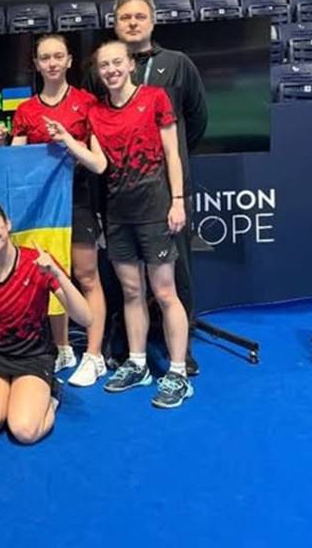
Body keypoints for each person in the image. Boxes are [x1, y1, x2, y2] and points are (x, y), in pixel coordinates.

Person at [0, 35, 109, 387]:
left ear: (69, 61)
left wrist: (68, 142)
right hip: (41, 205)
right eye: (46, 58)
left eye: (59, 56)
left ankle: (94, 355)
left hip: (78, 198)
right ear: (37, 64)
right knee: (51, 274)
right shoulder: (26, 110)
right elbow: (14, 165)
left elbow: (98, 162)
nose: (53, 63)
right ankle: (62, 348)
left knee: (87, 276)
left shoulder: (87, 103)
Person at [88, 41, 194, 409]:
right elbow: (98, 164)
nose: (111, 70)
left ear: (130, 64)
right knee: (131, 292)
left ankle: (178, 373)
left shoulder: (155, 98)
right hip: (117, 215)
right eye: (104, 65)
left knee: (165, 293)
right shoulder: (96, 112)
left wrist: (177, 200)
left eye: (117, 62)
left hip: (155, 211)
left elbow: (172, 154)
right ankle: (137, 364)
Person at [113, 0, 207, 377]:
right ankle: (125, 345)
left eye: (139, 16)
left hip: (168, 188)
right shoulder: (109, 65)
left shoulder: (177, 63)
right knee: (125, 273)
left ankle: (182, 351)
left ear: (152, 21)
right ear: (115, 24)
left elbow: (197, 119)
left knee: (177, 271)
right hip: (122, 189)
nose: (132, 23)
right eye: (125, 17)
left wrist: (173, 159)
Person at [0, 200, 93, 443]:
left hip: (34, 357)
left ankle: (51, 394)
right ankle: (13, 395)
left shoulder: (38, 263)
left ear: (7, 224)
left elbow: (86, 318)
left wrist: (57, 274)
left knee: (24, 431)